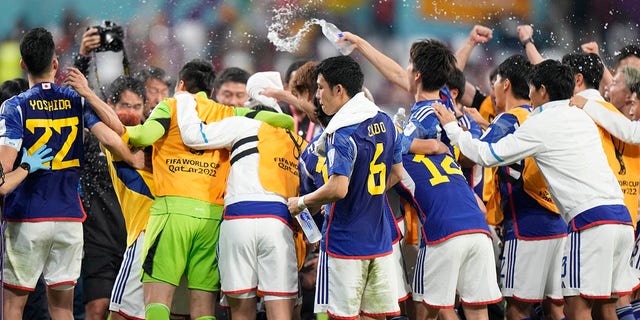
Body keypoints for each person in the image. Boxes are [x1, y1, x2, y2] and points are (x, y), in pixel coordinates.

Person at [433, 59, 638, 320]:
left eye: (532, 89)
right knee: (608, 307)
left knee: (577, 309)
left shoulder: (540, 123)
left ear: (542, 90)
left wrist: (452, 126)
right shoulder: (580, 115)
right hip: (621, 220)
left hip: (590, 224)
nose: (529, 96)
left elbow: (485, 155)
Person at [117, 59, 294, 320]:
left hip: (172, 213)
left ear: (180, 85)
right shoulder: (228, 113)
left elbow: (143, 136)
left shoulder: (171, 105)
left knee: (158, 301)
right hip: (212, 218)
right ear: (212, 91)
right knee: (202, 308)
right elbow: (282, 121)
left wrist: (117, 131)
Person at [0, 27, 134, 320]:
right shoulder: (77, 101)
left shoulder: (14, 106)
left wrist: (25, 166)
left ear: (23, 64)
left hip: (27, 218)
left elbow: (2, 178)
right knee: (62, 308)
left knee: (13, 307)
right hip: (69, 220)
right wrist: (136, 162)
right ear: (55, 63)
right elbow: (114, 137)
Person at [287, 55, 403, 319]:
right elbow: (397, 173)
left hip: (345, 240)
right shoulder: (385, 121)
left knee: (342, 316)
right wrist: (366, 194)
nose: (318, 96)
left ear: (339, 90)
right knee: (375, 315)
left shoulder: (341, 133)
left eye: (320, 87)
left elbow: (338, 189)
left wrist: (302, 202)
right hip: (380, 238)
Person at [175, 93, 305, 319]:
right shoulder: (297, 141)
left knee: (241, 313)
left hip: (238, 219)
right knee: (281, 313)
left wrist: (184, 100)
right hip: (279, 223)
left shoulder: (243, 123)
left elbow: (192, 136)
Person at [480, 55, 567, 320]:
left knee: (517, 308)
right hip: (557, 225)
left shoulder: (506, 121)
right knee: (555, 307)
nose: (492, 89)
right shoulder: (541, 118)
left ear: (505, 84)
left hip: (525, 224)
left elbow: (474, 153)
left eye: (494, 82)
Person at [80, 75, 146, 320]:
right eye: (125, 105)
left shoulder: (147, 139)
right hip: (99, 240)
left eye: (137, 106)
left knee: (130, 313)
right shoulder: (93, 139)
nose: (131, 111)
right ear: (110, 104)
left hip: (135, 238)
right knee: (97, 309)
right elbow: (80, 107)